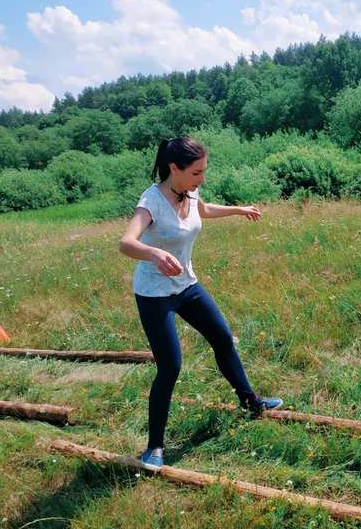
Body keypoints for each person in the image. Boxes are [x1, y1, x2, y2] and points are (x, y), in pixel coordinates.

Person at [119, 137, 282, 471]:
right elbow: (126, 242)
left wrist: (238, 209)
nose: (202, 178)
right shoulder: (151, 201)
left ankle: (250, 402)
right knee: (170, 366)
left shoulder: (190, 192)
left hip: (187, 286)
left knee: (222, 338)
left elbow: (203, 210)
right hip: (155, 294)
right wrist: (154, 253)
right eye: (197, 172)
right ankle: (154, 447)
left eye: (204, 171)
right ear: (174, 168)